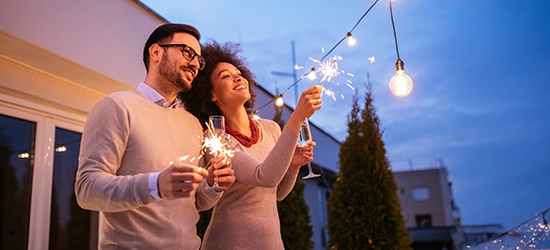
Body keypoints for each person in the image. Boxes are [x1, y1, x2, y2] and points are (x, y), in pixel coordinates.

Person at [74, 24, 235, 249]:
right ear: (156, 52)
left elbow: (194, 203)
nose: (195, 63)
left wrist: (212, 186)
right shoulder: (116, 106)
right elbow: (87, 189)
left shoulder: (192, 124)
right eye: (187, 52)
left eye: (199, 59)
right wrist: (155, 185)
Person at [180, 40, 323, 250]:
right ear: (211, 94)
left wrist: (293, 166)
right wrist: (296, 117)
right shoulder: (216, 140)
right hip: (229, 243)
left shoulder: (271, 128)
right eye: (225, 76)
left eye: (238, 72)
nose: (237, 77)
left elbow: (276, 193)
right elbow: (263, 176)